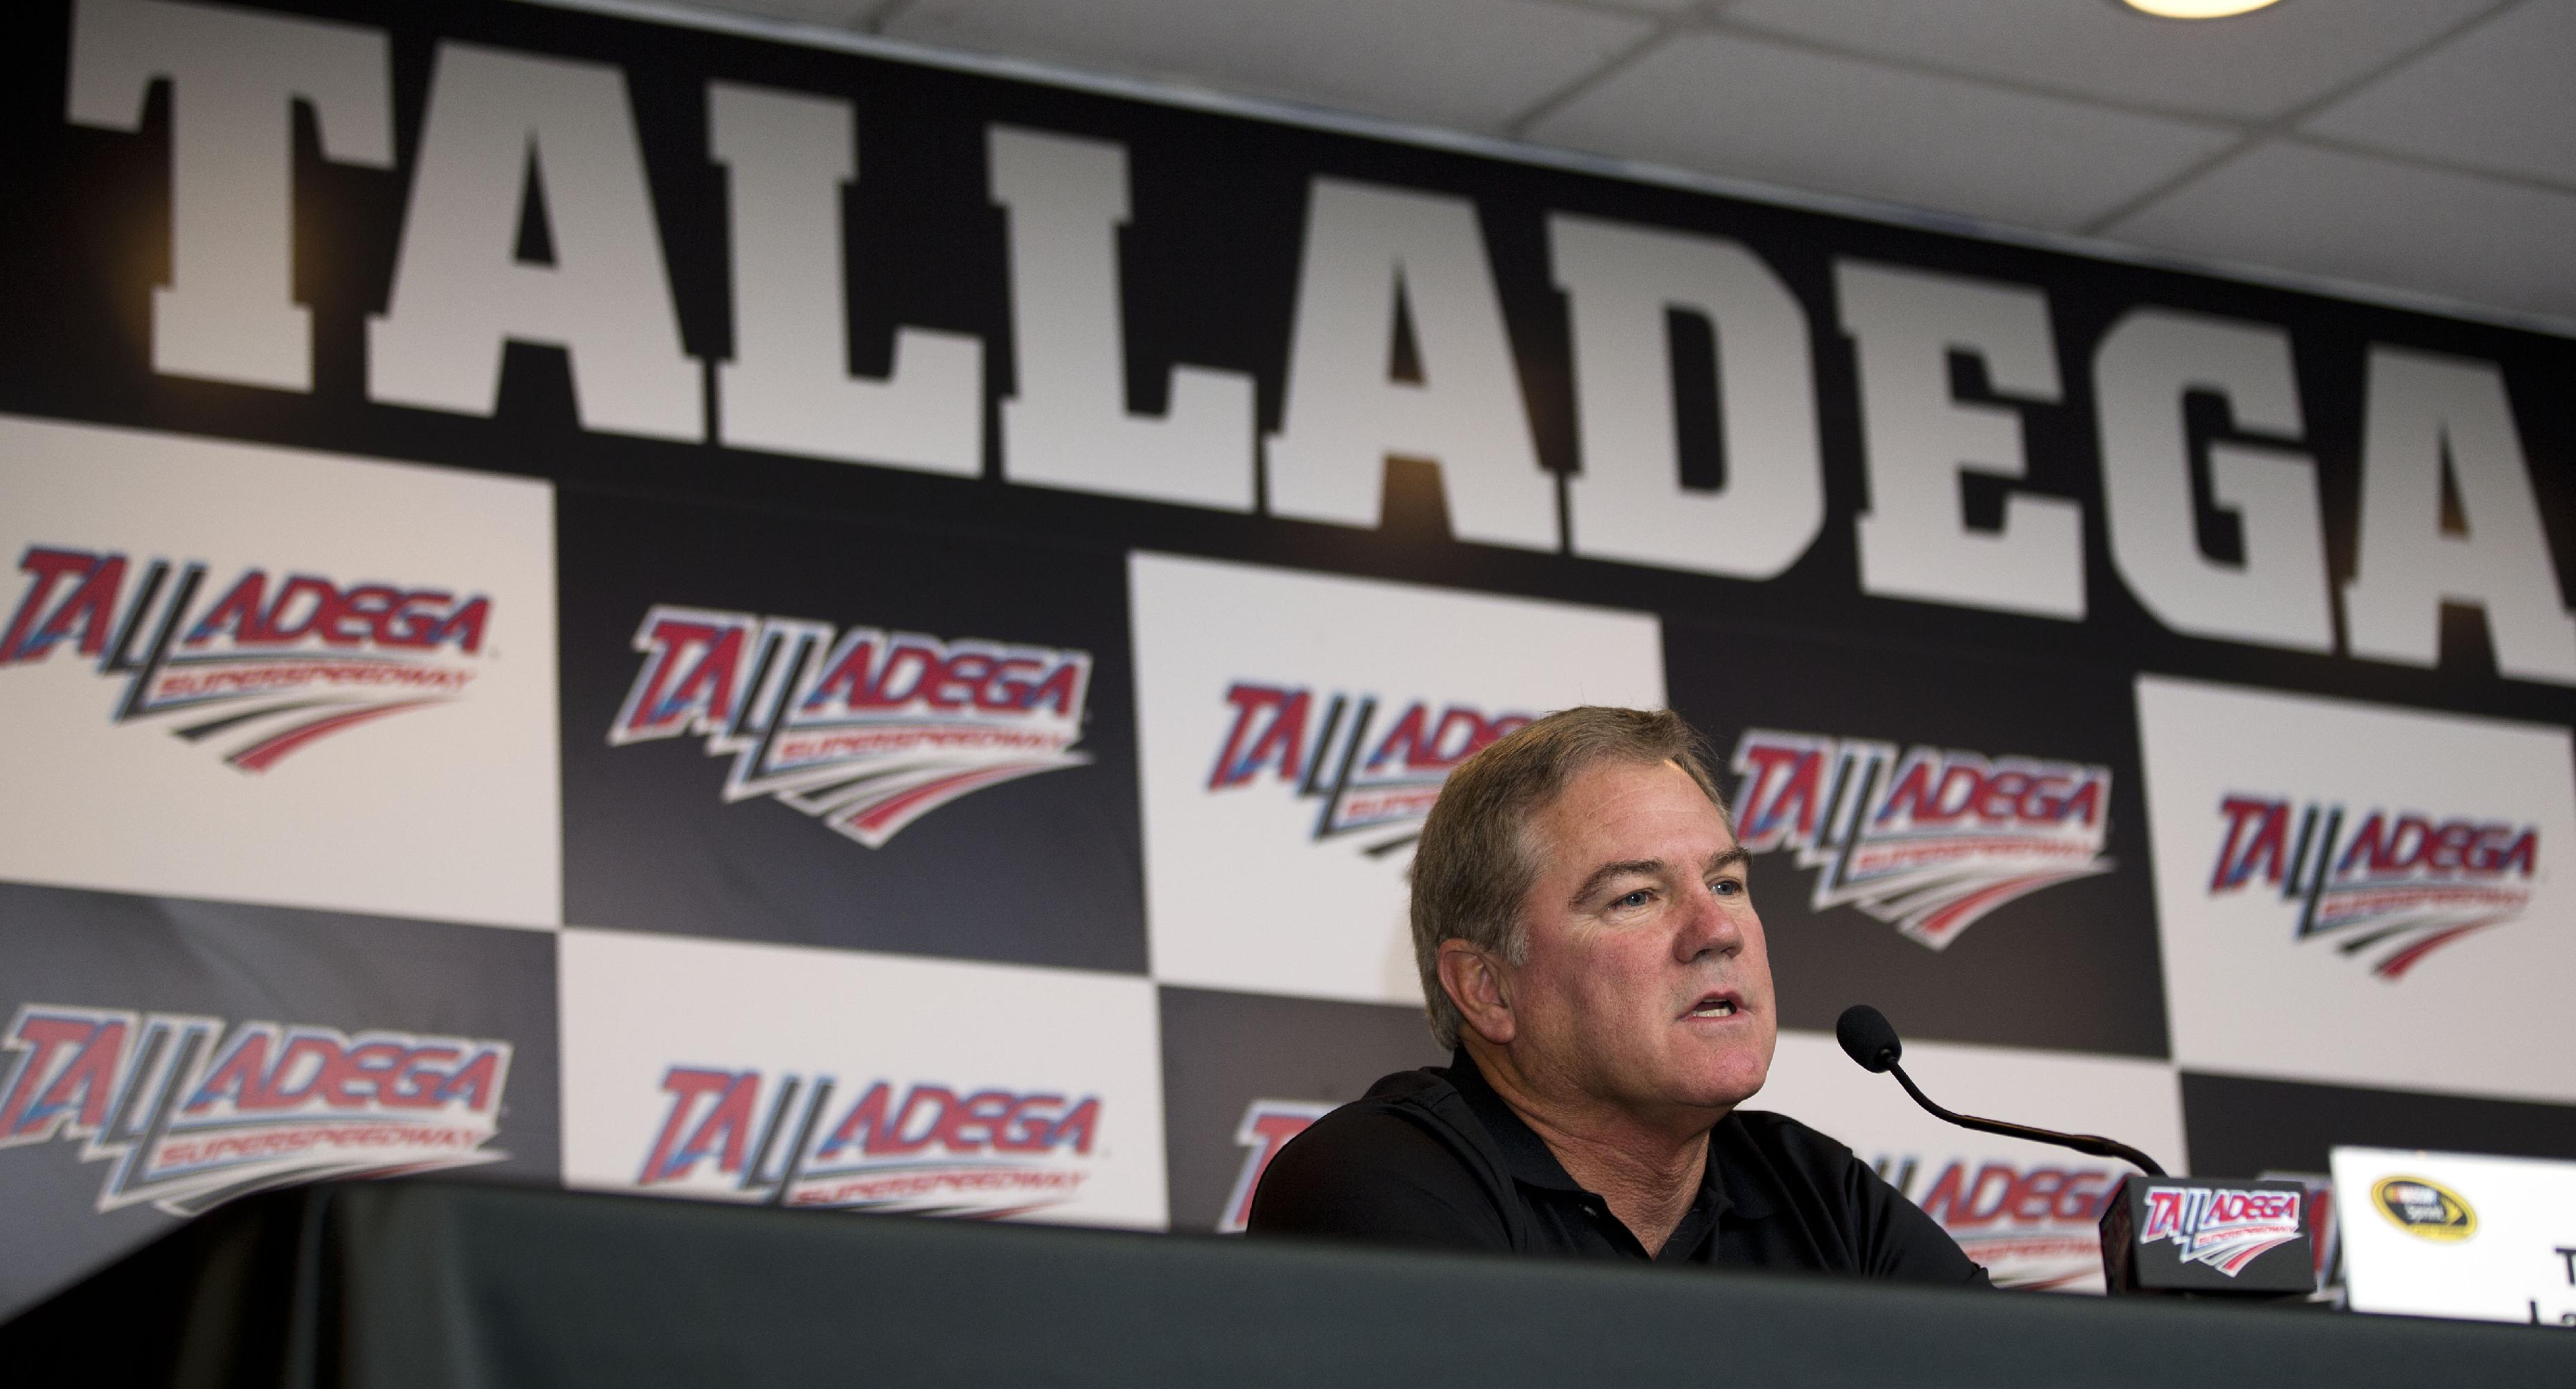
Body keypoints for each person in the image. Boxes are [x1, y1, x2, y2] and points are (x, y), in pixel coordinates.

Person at [1248, 706, 1988, 1284]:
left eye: (1727, 883)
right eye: (1636, 897)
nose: (1716, 929)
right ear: (1487, 989)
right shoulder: (1378, 1179)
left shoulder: (1822, 1199)